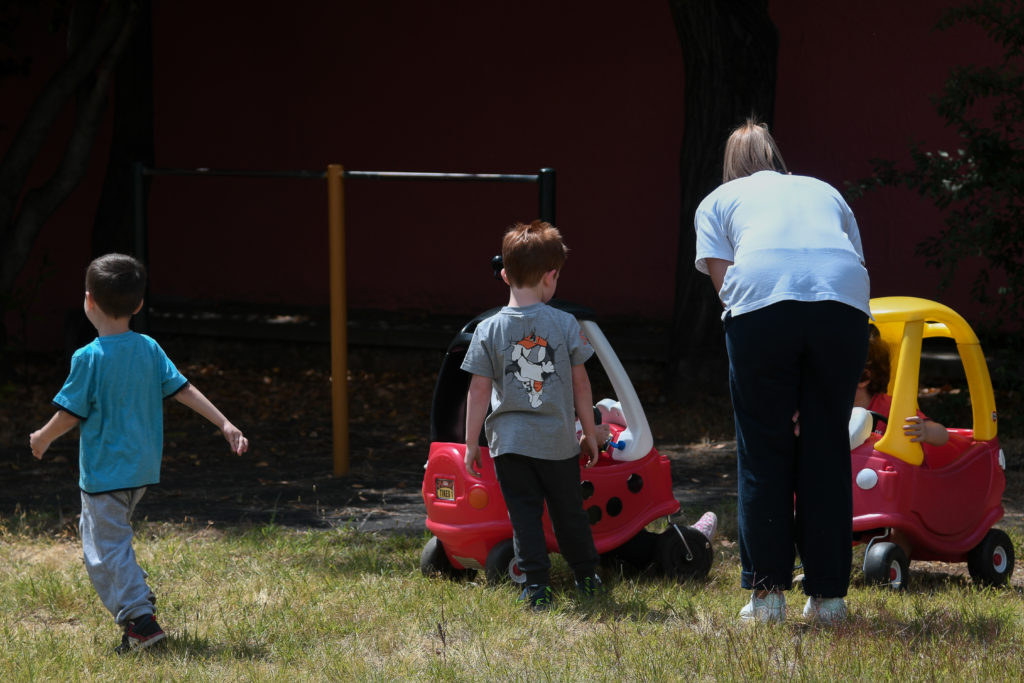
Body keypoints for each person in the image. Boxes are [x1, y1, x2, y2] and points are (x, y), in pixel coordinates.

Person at [694, 120, 871, 624]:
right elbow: (848, 265)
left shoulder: (719, 200)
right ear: (775, 157)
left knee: (763, 452)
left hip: (763, 312)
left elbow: (730, 290)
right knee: (826, 447)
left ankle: (768, 599)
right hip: (842, 308)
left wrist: (778, 390)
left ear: (731, 166)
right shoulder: (825, 191)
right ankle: (829, 600)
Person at [29, 254, 249, 653]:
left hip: (104, 474)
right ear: (139, 305)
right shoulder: (148, 347)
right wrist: (224, 423)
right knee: (103, 541)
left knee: (105, 550)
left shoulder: (89, 357)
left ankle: (141, 621)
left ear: (88, 301)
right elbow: (183, 389)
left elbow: (69, 413)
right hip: (141, 469)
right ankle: (136, 603)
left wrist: (43, 437)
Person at [461, 220, 602, 609]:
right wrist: (589, 433)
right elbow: (581, 386)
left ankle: (536, 587)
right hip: (557, 443)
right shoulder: (564, 323)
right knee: (569, 512)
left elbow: (478, 390)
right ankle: (587, 576)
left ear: (505, 275)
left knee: (524, 516)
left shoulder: (487, 330)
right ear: (551, 276)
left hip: (509, 446)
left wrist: (472, 443)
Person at [856, 329, 949, 446]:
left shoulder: (892, 409)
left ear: (864, 378)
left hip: (890, 463)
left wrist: (925, 430)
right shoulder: (833, 410)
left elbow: (943, 435)